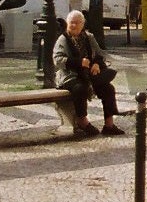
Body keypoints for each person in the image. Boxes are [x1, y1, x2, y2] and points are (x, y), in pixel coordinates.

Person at [53, 9, 124, 137]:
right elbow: (57, 60)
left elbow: (99, 53)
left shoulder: (89, 37)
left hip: (89, 74)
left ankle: (109, 125)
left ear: (82, 24)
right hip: (70, 76)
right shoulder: (63, 39)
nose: (73, 25)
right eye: (71, 23)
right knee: (80, 88)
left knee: (108, 88)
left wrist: (97, 63)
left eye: (77, 23)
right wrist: (78, 62)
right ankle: (82, 121)